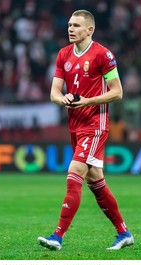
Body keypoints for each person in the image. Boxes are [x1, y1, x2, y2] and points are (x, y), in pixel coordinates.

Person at [37, 10, 134, 251]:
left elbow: (117, 92)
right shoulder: (63, 55)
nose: (71, 29)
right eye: (69, 24)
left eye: (77, 26)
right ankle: (124, 233)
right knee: (95, 181)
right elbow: (54, 93)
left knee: (74, 173)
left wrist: (87, 101)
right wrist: (65, 99)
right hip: (75, 125)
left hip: (95, 124)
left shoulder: (103, 55)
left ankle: (57, 236)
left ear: (89, 30)